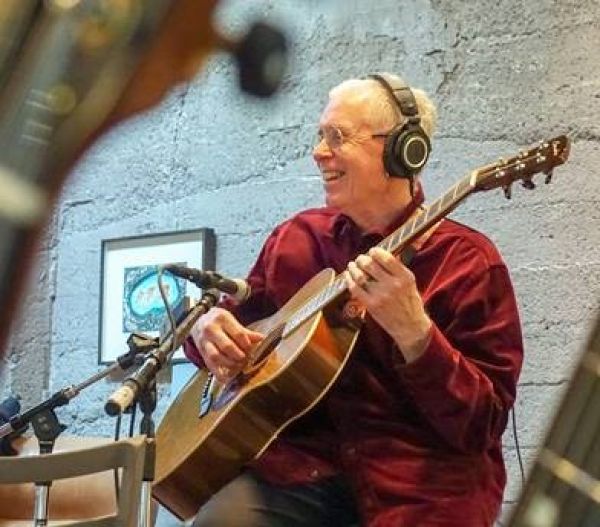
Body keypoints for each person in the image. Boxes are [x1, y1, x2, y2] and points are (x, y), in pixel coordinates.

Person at [183, 73, 523, 526]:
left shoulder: (467, 263)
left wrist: (416, 334)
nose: (318, 152)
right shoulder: (296, 240)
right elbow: (228, 322)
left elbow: (482, 424)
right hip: (299, 477)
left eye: (337, 137)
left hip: (419, 492)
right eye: (321, 136)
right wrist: (202, 331)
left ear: (404, 150)